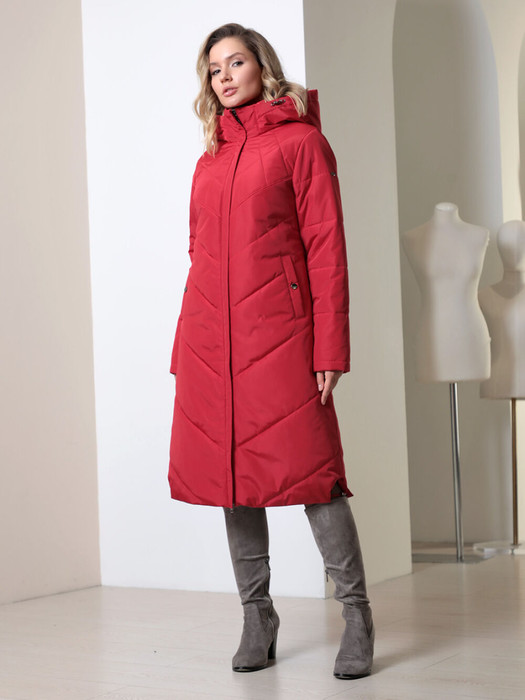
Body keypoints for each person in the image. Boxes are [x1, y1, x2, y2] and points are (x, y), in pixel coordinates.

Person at [168, 23, 374, 679]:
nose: (224, 77)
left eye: (235, 62)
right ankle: (257, 616)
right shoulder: (210, 158)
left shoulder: (302, 143)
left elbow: (326, 248)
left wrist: (329, 347)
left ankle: (356, 616)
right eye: (214, 69)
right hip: (213, 342)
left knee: (315, 476)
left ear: (262, 66)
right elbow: (199, 256)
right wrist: (185, 347)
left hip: (283, 337)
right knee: (233, 481)